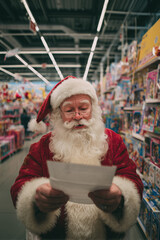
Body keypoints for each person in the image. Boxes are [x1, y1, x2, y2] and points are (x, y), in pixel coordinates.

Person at [10, 76, 143, 240]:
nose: (78, 115)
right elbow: (21, 184)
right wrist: (35, 197)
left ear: (93, 109)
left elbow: (131, 177)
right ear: (59, 114)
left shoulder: (113, 140)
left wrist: (121, 195)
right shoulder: (42, 146)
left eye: (83, 108)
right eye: (69, 110)